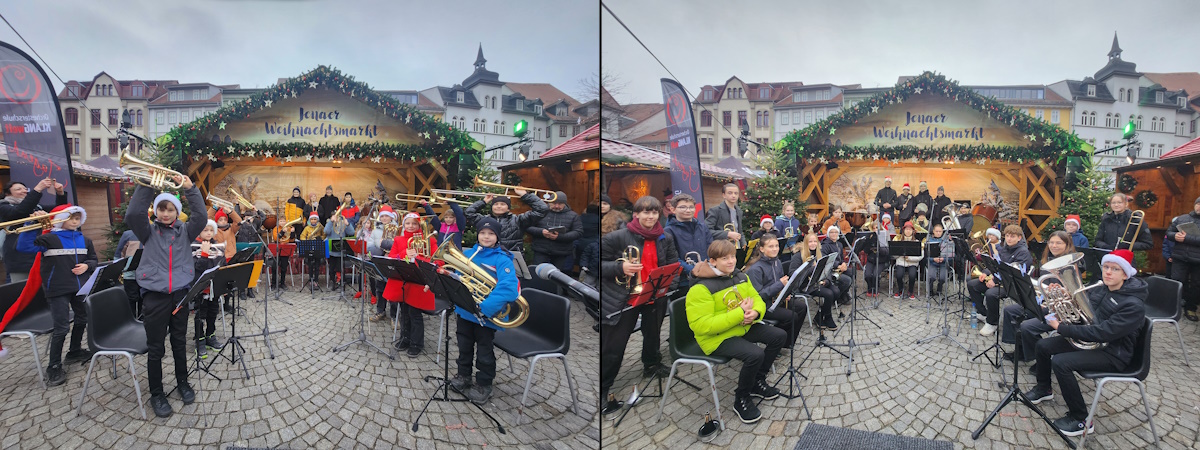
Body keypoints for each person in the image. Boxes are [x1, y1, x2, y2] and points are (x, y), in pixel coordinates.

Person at [1023, 249, 1146, 437]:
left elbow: (1103, 332)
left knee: (1061, 362)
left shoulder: (1133, 305)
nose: (1108, 272)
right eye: (1106, 267)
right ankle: (1044, 388)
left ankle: (1081, 418)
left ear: (1126, 273)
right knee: (1043, 346)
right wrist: (1067, 296)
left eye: (1115, 269)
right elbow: (1086, 314)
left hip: (1114, 352)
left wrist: (1062, 328)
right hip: (1095, 342)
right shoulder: (1100, 288)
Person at [125, 174, 207, 418]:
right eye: (161, 209)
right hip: (155, 297)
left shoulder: (185, 233)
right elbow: (132, 215)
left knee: (179, 342)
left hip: (179, 295)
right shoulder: (147, 232)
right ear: (155, 211)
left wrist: (191, 188)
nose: (166, 214)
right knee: (156, 347)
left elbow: (201, 217)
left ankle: (183, 382)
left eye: (170, 209)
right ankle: (157, 393)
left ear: (177, 212)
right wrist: (146, 186)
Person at [687, 239, 784, 424]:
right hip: (716, 338)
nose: (731, 261)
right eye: (725, 258)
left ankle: (757, 381)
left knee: (778, 336)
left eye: (732, 256)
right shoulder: (700, 288)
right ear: (713, 261)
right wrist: (740, 313)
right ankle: (742, 398)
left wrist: (755, 312)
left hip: (740, 326)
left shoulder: (739, 276)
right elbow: (702, 325)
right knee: (754, 354)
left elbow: (756, 298)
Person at [599, 196, 679, 414]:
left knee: (653, 333)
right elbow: (595, 265)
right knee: (614, 346)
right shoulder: (616, 237)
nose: (650, 217)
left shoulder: (665, 237)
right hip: (624, 297)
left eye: (654, 213)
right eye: (645, 212)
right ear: (636, 215)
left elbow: (673, 262)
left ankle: (651, 364)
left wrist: (669, 287)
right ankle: (604, 387)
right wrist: (620, 268)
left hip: (654, 294)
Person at [16, 204, 96, 386]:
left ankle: (74, 351)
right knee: (61, 328)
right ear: (61, 219)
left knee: (82, 319)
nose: (74, 222)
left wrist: (87, 266)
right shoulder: (49, 239)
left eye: (77, 218)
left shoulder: (85, 239)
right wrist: (32, 223)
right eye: (70, 218)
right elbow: (24, 246)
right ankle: (53, 366)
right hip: (57, 289)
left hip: (79, 288)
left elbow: (92, 259)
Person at [448, 217, 519, 405]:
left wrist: (485, 308)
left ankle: (484, 383)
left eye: (491, 234)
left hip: (486, 315)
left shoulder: (502, 259)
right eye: (482, 233)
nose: (486, 237)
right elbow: (461, 277)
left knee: (484, 350)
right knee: (464, 345)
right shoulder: (470, 253)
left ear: (497, 237)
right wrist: (448, 278)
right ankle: (463, 375)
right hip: (465, 311)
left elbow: (509, 288)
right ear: (477, 234)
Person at [1000, 230, 1076, 368]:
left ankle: (1040, 359)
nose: (1054, 245)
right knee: (1011, 311)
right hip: (1044, 301)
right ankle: (1022, 350)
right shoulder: (1046, 261)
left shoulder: (1071, 264)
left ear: (1067, 245)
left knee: (1027, 326)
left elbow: (1072, 293)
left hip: (1059, 309)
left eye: (1059, 243)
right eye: (1051, 242)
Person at [383, 212, 437, 358]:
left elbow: (436, 260)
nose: (411, 226)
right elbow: (391, 257)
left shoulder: (429, 240)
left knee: (415, 314)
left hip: (419, 282)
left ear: (419, 225)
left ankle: (417, 343)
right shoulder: (399, 239)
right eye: (408, 223)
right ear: (403, 224)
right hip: (403, 281)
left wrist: (418, 257)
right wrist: (404, 253)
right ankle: (405, 338)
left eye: (414, 223)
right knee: (404, 312)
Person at [464, 189, 549, 278]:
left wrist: (525, 195)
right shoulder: (484, 220)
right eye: (496, 204)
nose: (499, 206)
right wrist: (483, 201)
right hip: (488, 260)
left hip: (510, 260)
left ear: (508, 208)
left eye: (503, 204)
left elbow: (542, 209)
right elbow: (468, 212)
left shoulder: (518, 220)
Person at [968, 225, 1034, 336]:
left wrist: (996, 282)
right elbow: (996, 265)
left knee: (991, 294)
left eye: (1012, 236)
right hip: (1000, 279)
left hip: (1013, 285)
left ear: (1019, 238)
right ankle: (983, 313)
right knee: (972, 284)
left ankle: (992, 323)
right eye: (1007, 236)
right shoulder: (1005, 249)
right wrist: (986, 273)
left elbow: (1013, 274)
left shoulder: (1023, 253)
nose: (1009, 239)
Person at [0, 177, 68, 282]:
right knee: (21, 291)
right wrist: (38, 189)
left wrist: (60, 193)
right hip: (19, 257)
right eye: (18, 189)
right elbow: (20, 211)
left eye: (24, 188)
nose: (24, 191)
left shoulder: (36, 206)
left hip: (39, 252)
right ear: (8, 194)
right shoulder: (4, 206)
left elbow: (59, 210)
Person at [744, 233, 802, 348]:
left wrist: (784, 293)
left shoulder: (776, 261)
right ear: (762, 249)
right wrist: (779, 284)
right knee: (792, 316)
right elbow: (759, 296)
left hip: (776, 299)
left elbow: (780, 284)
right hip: (764, 305)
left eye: (776, 246)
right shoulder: (756, 269)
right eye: (770, 246)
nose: (775, 249)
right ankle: (777, 342)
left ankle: (786, 342)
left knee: (802, 308)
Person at [663, 194, 712, 298]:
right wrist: (693, 270)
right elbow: (673, 258)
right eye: (683, 207)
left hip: (706, 275)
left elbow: (711, 248)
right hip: (683, 281)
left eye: (691, 207)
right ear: (673, 209)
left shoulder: (702, 227)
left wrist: (707, 266)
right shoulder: (668, 231)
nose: (688, 210)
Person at [790, 233, 840, 330]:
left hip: (819, 281)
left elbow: (827, 269)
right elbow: (792, 273)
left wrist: (827, 280)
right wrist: (811, 269)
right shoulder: (798, 256)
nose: (813, 244)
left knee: (836, 291)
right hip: (806, 284)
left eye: (815, 241)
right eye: (810, 242)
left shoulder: (819, 254)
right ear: (805, 243)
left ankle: (819, 316)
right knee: (829, 294)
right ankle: (828, 317)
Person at [191, 220, 224, 360]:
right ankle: (199, 340)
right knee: (200, 314)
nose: (209, 233)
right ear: (199, 231)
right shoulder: (193, 246)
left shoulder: (217, 245)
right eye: (205, 230)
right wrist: (204, 253)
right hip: (200, 287)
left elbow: (222, 265)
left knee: (212, 312)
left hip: (213, 287)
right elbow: (197, 268)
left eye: (211, 230)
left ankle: (211, 335)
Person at [527, 191, 583, 274]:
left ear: (565, 204)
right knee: (537, 274)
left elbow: (578, 232)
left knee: (558, 277)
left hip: (561, 252)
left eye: (560, 204)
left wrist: (559, 237)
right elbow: (527, 226)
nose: (556, 206)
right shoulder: (540, 213)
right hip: (541, 250)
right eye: (554, 203)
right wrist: (541, 232)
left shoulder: (573, 216)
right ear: (549, 202)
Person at [1166, 196, 1200, 321]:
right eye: (1198, 203)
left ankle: (1190, 308)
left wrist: (1187, 238)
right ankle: (1172, 308)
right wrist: (1175, 236)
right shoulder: (1182, 218)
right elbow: (1169, 232)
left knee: (1196, 285)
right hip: (1180, 257)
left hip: (1198, 260)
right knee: (1176, 281)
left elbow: (1190, 238)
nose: (1199, 207)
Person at [367, 205, 399, 322]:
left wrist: (384, 245)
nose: (385, 218)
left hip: (393, 262)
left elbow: (398, 245)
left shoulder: (398, 229)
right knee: (380, 288)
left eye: (387, 216)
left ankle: (394, 316)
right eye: (383, 216)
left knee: (393, 288)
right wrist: (382, 250)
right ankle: (380, 311)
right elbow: (370, 248)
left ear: (391, 217)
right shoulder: (375, 231)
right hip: (381, 262)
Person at [819, 226, 854, 304]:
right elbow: (825, 260)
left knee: (852, 272)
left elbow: (841, 257)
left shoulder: (839, 244)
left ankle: (843, 294)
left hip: (838, 268)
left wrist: (844, 263)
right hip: (829, 270)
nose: (834, 234)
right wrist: (838, 265)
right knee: (847, 280)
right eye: (832, 232)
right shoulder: (825, 245)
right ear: (828, 234)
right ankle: (836, 297)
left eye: (836, 232)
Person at [705, 183, 745, 248]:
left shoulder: (739, 211)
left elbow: (739, 230)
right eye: (730, 193)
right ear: (724, 195)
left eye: (736, 193)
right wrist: (727, 234)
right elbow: (707, 230)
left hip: (736, 247)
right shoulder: (715, 210)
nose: (733, 195)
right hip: (721, 248)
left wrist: (743, 243)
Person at [323, 210, 355, 288]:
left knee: (340, 267)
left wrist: (348, 224)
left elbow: (351, 232)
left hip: (341, 251)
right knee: (332, 267)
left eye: (337, 216)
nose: (336, 218)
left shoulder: (342, 225)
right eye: (335, 216)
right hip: (331, 251)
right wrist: (331, 222)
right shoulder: (329, 224)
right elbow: (326, 231)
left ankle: (340, 280)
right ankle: (332, 280)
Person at [863, 213, 893, 297]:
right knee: (868, 274)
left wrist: (879, 248)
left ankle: (876, 289)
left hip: (881, 260)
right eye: (874, 228)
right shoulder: (871, 236)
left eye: (877, 228)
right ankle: (870, 288)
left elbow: (887, 251)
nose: (875, 230)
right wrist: (868, 244)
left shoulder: (885, 235)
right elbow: (865, 250)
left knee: (876, 274)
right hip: (871, 259)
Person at [116, 229, 144, 317]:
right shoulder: (128, 234)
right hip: (130, 274)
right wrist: (118, 269)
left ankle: (142, 322)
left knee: (143, 299)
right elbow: (119, 253)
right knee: (131, 299)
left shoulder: (151, 233)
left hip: (145, 275)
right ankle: (131, 320)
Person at [892, 222, 923, 300]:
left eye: (910, 229)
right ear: (903, 231)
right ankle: (900, 289)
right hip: (901, 262)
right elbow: (893, 255)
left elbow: (920, 256)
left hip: (912, 263)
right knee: (899, 275)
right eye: (906, 229)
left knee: (912, 275)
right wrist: (899, 254)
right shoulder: (898, 241)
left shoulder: (916, 242)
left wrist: (909, 258)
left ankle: (910, 291)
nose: (908, 231)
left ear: (913, 231)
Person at [926, 223, 954, 297]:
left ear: (942, 232)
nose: (938, 233)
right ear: (933, 231)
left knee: (943, 277)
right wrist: (933, 259)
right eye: (937, 231)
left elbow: (952, 256)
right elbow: (925, 256)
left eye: (940, 231)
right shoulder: (928, 240)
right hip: (933, 262)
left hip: (943, 262)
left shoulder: (947, 241)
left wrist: (944, 259)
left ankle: (940, 287)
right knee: (931, 276)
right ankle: (930, 289)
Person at [299, 212, 326, 289]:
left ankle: (316, 280)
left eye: (315, 219)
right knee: (310, 265)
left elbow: (324, 235)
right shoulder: (307, 228)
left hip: (318, 248)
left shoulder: (320, 227)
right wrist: (307, 240)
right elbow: (302, 236)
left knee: (317, 265)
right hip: (309, 249)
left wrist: (319, 238)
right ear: (309, 220)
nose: (313, 221)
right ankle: (311, 279)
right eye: (312, 219)